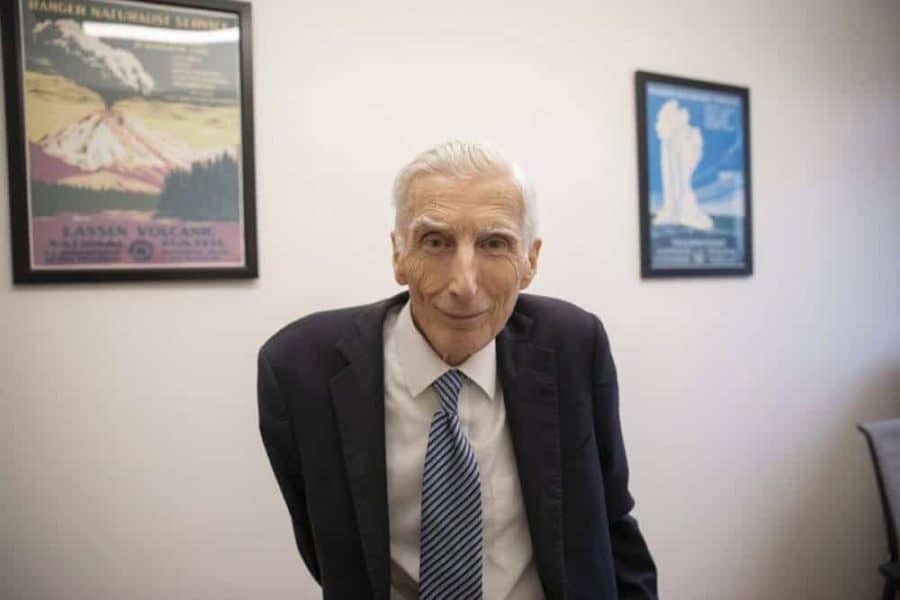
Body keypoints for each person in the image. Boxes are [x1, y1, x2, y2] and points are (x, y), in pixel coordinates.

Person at [258, 141, 657, 599]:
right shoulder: (300, 370)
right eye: (435, 242)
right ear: (398, 255)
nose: (464, 285)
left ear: (530, 261)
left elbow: (611, 520)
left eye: (494, 243)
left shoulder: (574, 345)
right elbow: (327, 550)